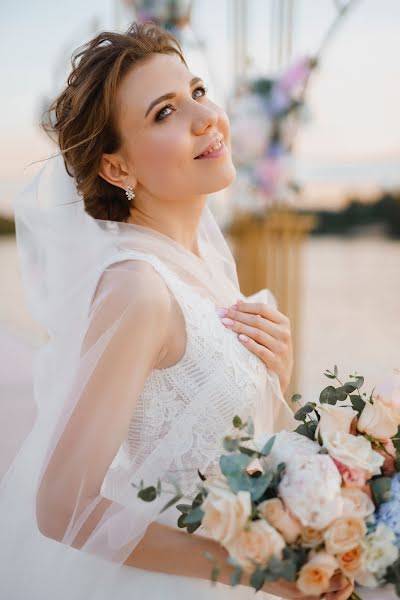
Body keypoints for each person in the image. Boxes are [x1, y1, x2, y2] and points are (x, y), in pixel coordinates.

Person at [0, 21, 353, 600]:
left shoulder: (207, 269)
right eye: (164, 113)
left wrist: (275, 381)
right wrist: (254, 570)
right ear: (118, 169)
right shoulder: (138, 288)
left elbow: (222, 439)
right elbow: (62, 504)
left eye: (196, 91)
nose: (204, 116)